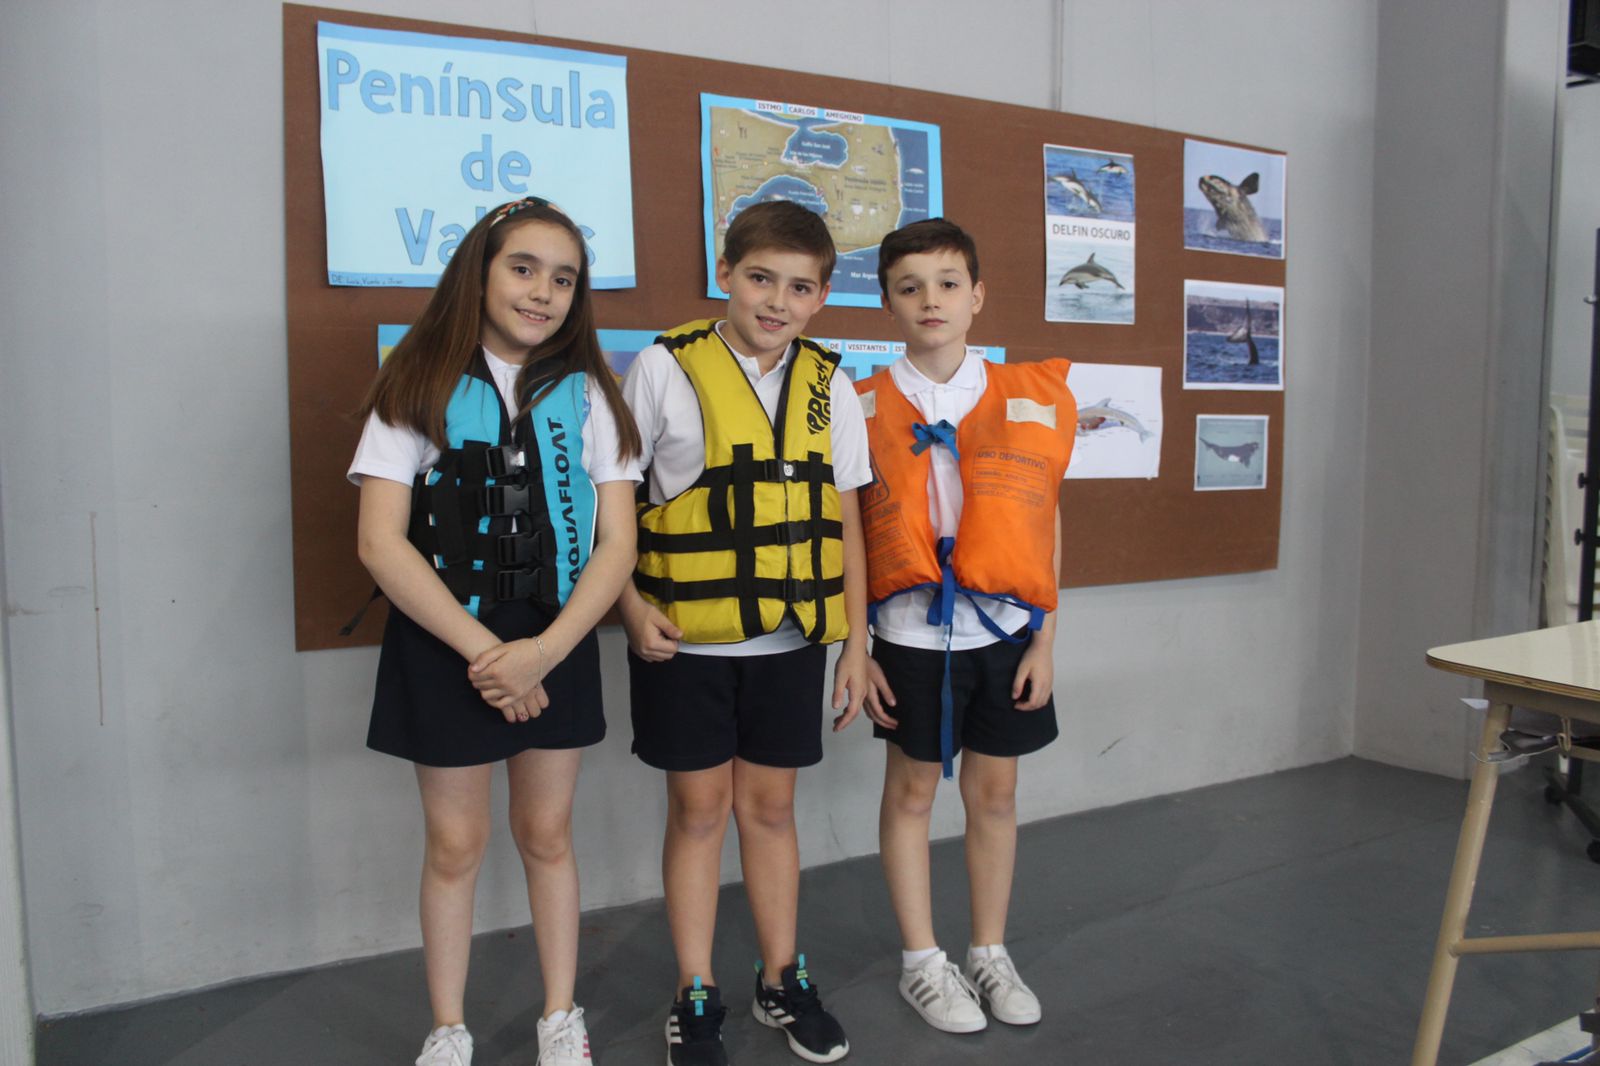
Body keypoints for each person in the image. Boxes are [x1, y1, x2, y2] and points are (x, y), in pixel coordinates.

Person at [348, 196, 641, 1066]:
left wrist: (542, 653)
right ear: (478, 273)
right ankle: (448, 1028)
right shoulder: (415, 384)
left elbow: (617, 544)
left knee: (547, 834)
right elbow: (380, 542)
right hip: (448, 641)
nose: (543, 292)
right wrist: (487, 655)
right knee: (455, 844)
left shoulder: (592, 395)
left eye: (564, 278)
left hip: (557, 637)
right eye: (523, 268)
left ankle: (560, 1015)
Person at [617, 200, 872, 1065]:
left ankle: (780, 978)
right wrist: (627, 605)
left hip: (791, 646)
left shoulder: (831, 386)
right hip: (683, 643)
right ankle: (695, 990)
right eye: (761, 278)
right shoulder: (663, 368)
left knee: (771, 809)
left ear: (822, 297)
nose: (777, 301)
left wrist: (855, 642)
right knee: (698, 812)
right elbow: (617, 504)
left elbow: (845, 518)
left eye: (799, 287)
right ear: (725, 273)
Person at [856, 218, 1075, 1036]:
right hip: (909, 636)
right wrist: (857, 648)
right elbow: (846, 536)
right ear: (887, 302)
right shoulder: (859, 404)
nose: (931, 300)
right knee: (912, 790)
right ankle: (923, 960)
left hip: (1006, 633)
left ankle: (989, 950)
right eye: (909, 287)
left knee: (996, 792)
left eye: (948, 284)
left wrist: (1045, 637)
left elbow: (1043, 519)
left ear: (977, 295)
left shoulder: (1022, 396)